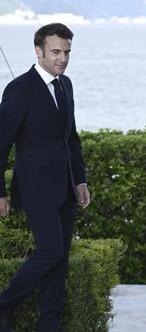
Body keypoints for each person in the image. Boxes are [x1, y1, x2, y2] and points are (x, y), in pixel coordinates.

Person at [0, 23, 91, 332]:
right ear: (38, 51)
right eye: (55, 52)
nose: (62, 58)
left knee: (60, 259)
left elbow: (71, 139)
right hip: (36, 187)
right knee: (49, 251)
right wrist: (0, 191)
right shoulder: (19, 89)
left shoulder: (65, 85)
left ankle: (49, 323)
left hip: (65, 186)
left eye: (66, 52)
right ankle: (4, 305)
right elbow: (1, 143)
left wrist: (80, 180)